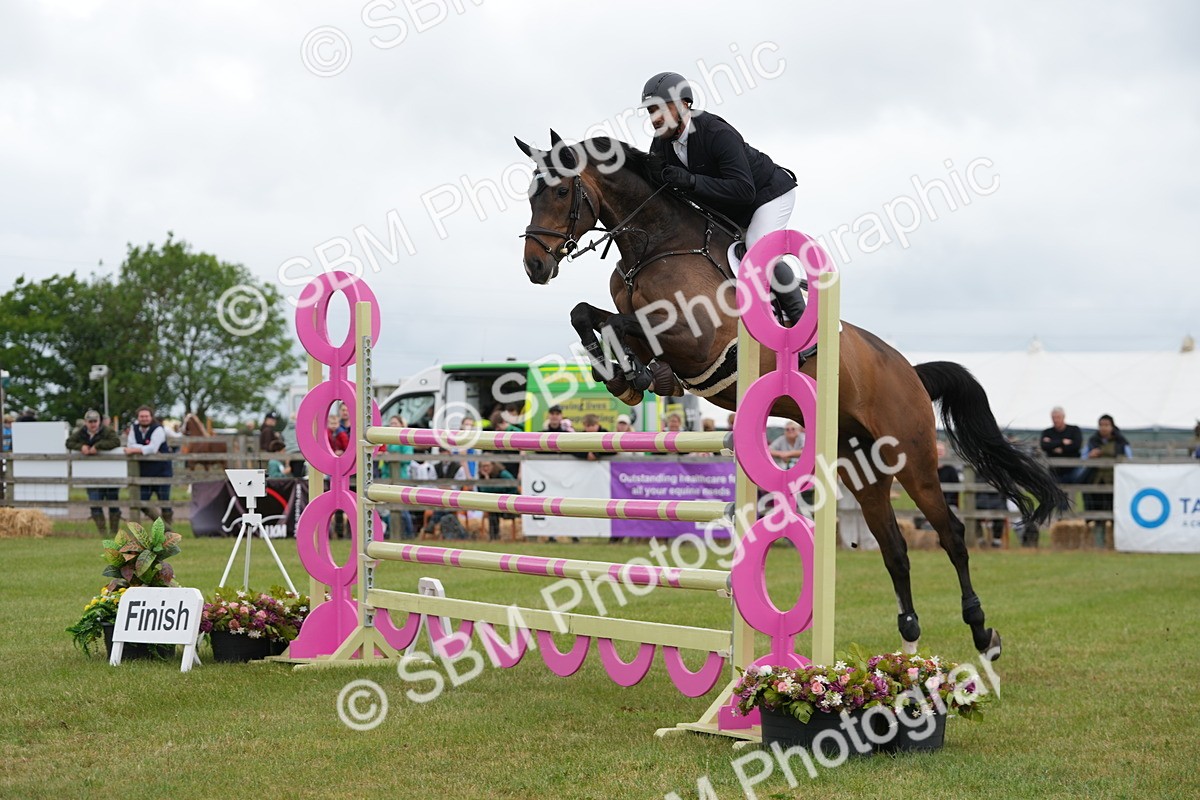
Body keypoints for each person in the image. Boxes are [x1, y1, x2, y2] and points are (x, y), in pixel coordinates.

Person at [640, 71, 806, 324]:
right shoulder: (661, 144)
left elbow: (743, 190)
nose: (655, 118)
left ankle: (800, 319)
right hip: (728, 208)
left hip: (767, 196)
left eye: (662, 108)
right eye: (651, 111)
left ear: (684, 105)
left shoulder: (716, 133)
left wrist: (692, 182)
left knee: (756, 247)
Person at [1021, 406, 1084, 547]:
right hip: (1054, 471)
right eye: (1054, 418)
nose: (1056, 420)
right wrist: (1063, 443)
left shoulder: (1074, 430)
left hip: (1071, 471)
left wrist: (1054, 445)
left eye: (1058, 418)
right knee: (1053, 495)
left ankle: (1064, 521)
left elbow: (1076, 446)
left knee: (1067, 495)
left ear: (1063, 417)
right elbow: (1045, 446)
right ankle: (1055, 521)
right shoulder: (1047, 431)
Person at [67, 409, 123, 535]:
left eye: (95, 421)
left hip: (110, 473)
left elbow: (116, 442)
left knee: (113, 503)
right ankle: (103, 533)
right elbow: (69, 442)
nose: (93, 424)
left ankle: (114, 532)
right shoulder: (81, 432)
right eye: (90, 421)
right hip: (91, 474)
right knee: (94, 503)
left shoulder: (107, 431)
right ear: (86, 422)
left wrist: (98, 446)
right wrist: (81, 447)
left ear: (99, 421)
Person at [1083, 414, 1132, 548]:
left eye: (1106, 425)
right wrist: (1090, 456)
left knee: (1115, 510)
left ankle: (1115, 542)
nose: (1104, 428)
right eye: (1101, 425)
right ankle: (1100, 543)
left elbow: (1129, 458)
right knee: (1097, 510)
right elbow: (1083, 458)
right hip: (1097, 480)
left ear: (1112, 426)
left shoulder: (1121, 441)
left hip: (1115, 480)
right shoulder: (1093, 440)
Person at [123, 405, 174, 530]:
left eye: (146, 416)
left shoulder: (158, 429)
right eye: (141, 416)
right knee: (141, 501)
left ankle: (169, 535)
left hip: (162, 471)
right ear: (138, 417)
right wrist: (143, 449)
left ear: (151, 417)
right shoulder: (134, 428)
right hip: (144, 472)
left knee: (165, 502)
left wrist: (135, 449)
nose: (144, 419)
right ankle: (165, 528)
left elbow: (153, 448)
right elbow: (130, 443)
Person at [378, 415, 415, 539]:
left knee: (401, 508)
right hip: (386, 475)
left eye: (395, 423)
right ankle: (392, 532)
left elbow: (408, 458)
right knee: (386, 508)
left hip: (400, 476)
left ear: (401, 424)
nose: (392, 425)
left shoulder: (405, 439)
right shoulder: (387, 439)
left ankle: (409, 533)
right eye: (391, 423)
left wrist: (391, 457)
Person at [477, 460, 517, 541]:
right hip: (494, 503)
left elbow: (513, 486)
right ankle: (494, 538)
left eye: (487, 465)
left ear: (493, 465)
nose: (485, 468)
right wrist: (487, 480)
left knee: (493, 510)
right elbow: (482, 491)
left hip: (509, 501)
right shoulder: (482, 477)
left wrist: (490, 486)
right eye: (483, 466)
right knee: (492, 511)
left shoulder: (503, 474)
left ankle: (495, 537)